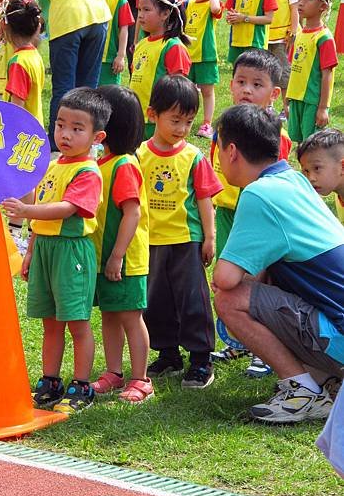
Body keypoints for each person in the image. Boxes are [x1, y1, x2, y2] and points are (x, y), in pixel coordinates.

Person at [212, 103, 344, 424]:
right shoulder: (295, 180)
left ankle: (303, 393)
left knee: (229, 300)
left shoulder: (259, 194)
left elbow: (226, 278)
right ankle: (327, 381)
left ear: (231, 151)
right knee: (267, 282)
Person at [2, 87, 110, 414]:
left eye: (77, 129)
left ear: (96, 136)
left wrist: (26, 212)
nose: (65, 134)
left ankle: (81, 385)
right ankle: (50, 381)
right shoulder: (52, 164)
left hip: (71, 253)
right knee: (50, 322)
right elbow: (45, 212)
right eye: (61, 125)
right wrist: (31, 250)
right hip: (46, 249)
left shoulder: (88, 171)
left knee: (76, 322)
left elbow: (65, 208)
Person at [210, 49, 292, 377]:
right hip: (228, 212)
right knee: (230, 279)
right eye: (241, 82)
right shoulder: (225, 127)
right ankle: (238, 338)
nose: (246, 90)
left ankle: (265, 348)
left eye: (257, 84)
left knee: (258, 281)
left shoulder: (276, 137)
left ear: (273, 94)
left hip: (257, 219)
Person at [137, 74, 222, 388]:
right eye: (175, 120)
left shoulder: (193, 157)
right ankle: (168, 353)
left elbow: (204, 198)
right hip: (150, 242)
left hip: (187, 241)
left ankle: (201, 359)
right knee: (154, 300)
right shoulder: (139, 156)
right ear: (152, 115)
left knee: (193, 300)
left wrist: (209, 238)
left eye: (188, 122)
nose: (181, 129)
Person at [90, 85, 153, 403]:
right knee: (111, 315)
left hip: (125, 260)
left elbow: (132, 214)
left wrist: (117, 256)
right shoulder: (103, 163)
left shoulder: (124, 165)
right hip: (105, 258)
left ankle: (141, 379)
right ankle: (114, 372)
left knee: (130, 316)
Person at [17, 0, 111, 151]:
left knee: (64, 88)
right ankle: (87, 143)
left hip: (69, 17)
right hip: (98, 13)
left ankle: (57, 145)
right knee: (87, 88)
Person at [130, 0, 191, 139]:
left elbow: (179, 91)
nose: (141, 15)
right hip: (137, 118)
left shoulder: (173, 47)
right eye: (139, 10)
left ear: (165, 13)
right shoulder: (142, 44)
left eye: (147, 10)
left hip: (157, 123)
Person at [286, 0, 337, 143]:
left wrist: (323, 108)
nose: (300, 3)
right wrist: (288, 98)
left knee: (311, 144)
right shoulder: (300, 34)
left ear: (323, 6)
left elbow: (327, 75)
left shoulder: (324, 38)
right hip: (296, 99)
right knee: (299, 141)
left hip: (312, 101)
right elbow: (293, 67)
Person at [182, 0, 222, 139]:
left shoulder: (210, 4)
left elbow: (215, 7)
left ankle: (206, 123)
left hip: (206, 55)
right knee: (186, 91)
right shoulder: (188, 4)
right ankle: (184, 119)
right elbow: (170, 4)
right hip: (188, 55)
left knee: (207, 91)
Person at [263, 0, 300, 120]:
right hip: (265, 35)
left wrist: (293, 32)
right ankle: (268, 106)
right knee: (266, 72)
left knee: (284, 73)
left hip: (282, 36)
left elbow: (295, 8)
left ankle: (287, 108)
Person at [89, 0, 134, 86]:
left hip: (108, 60)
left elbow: (124, 29)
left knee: (109, 96)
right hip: (89, 54)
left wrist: (120, 56)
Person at [2, 0, 45, 124]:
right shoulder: (34, 54)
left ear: (5, 26)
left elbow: (17, 109)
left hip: (22, 136)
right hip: (35, 128)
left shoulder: (18, 63)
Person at [297, 128, 344, 226]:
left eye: (317, 168)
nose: (311, 178)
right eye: (306, 171)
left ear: (342, 167)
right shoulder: (339, 192)